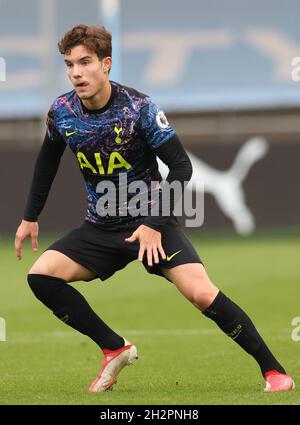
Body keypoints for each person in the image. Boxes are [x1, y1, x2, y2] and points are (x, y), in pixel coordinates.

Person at [15, 24, 294, 393]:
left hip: (152, 222)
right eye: (69, 65)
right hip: (100, 226)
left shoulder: (139, 108)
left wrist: (152, 224)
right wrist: (30, 216)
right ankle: (114, 347)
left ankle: (275, 373)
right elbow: (47, 161)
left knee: (201, 294)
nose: (76, 73)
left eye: (85, 62)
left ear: (106, 64)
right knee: (41, 276)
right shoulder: (62, 112)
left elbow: (181, 168)